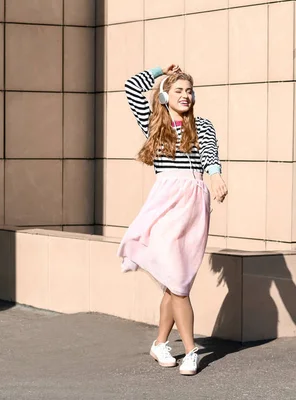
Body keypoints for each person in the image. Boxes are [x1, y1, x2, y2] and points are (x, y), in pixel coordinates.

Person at [117, 64, 228, 376]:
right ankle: (192, 350)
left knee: (174, 281)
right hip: (166, 203)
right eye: (179, 90)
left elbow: (210, 154)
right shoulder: (155, 123)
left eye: (189, 91)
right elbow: (131, 86)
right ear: (166, 95)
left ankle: (160, 343)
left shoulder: (203, 126)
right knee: (179, 282)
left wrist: (215, 176)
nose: (186, 96)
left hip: (194, 206)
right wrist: (159, 70)